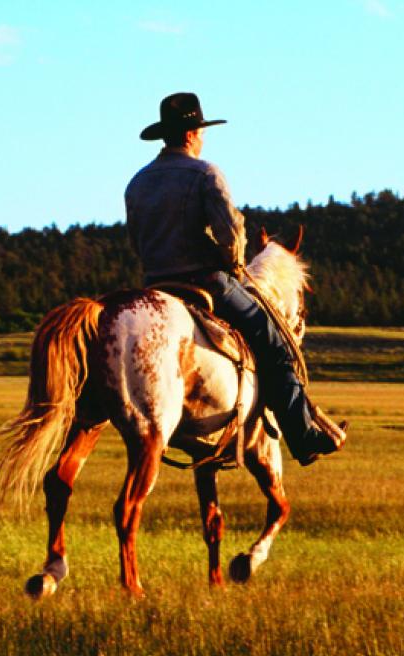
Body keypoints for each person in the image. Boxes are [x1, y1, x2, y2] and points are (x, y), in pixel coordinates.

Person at [125, 92, 346, 466]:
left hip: (155, 285)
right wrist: (233, 262)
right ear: (192, 134)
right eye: (201, 131)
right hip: (206, 281)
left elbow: (136, 241)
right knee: (276, 343)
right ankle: (303, 436)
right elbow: (231, 234)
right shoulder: (205, 173)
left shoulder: (137, 182)